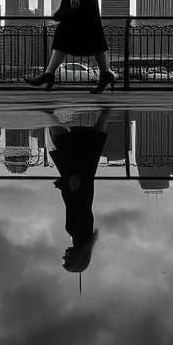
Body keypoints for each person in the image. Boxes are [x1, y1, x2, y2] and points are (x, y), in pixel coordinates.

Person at [49, 109, 110, 286]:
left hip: (80, 186)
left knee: (89, 150)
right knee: (66, 147)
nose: (63, 256)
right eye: (66, 260)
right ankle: (50, 115)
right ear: (75, 257)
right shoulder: (79, 234)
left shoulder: (83, 238)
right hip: (78, 185)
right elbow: (80, 208)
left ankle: (105, 114)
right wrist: (74, 187)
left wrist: (64, 187)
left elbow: (78, 207)